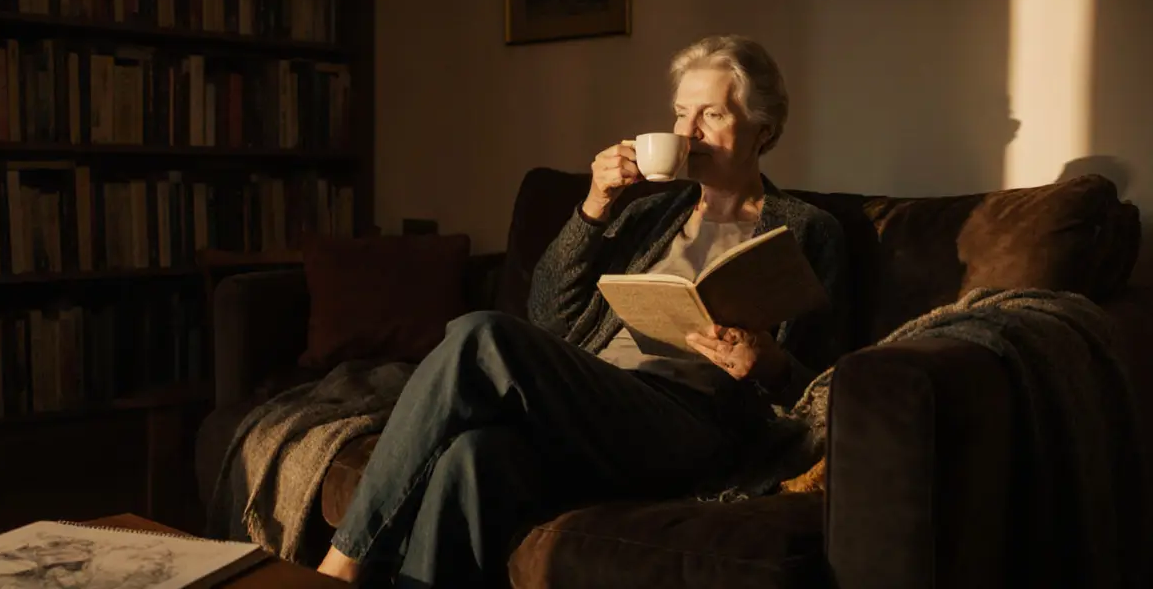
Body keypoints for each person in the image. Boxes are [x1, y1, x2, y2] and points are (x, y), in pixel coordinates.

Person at [317, 35, 851, 587]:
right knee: (473, 457)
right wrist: (595, 207)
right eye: (680, 113)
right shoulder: (649, 213)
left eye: (712, 114)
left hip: (695, 423)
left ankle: (341, 566)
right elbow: (550, 316)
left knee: (480, 335)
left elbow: (824, 386)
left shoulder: (808, 229)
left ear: (763, 129)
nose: (687, 133)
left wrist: (768, 363)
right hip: (598, 403)